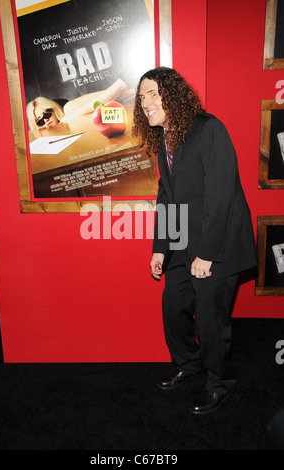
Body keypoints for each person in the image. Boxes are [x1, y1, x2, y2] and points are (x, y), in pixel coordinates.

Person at [132, 67, 257, 414]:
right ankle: (190, 365)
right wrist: (160, 246)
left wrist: (207, 254)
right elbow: (166, 196)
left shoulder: (208, 129)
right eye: (142, 97)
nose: (146, 102)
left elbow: (221, 195)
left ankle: (220, 382)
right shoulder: (165, 139)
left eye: (153, 93)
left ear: (172, 94)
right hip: (184, 242)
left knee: (210, 319)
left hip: (218, 246)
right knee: (173, 306)